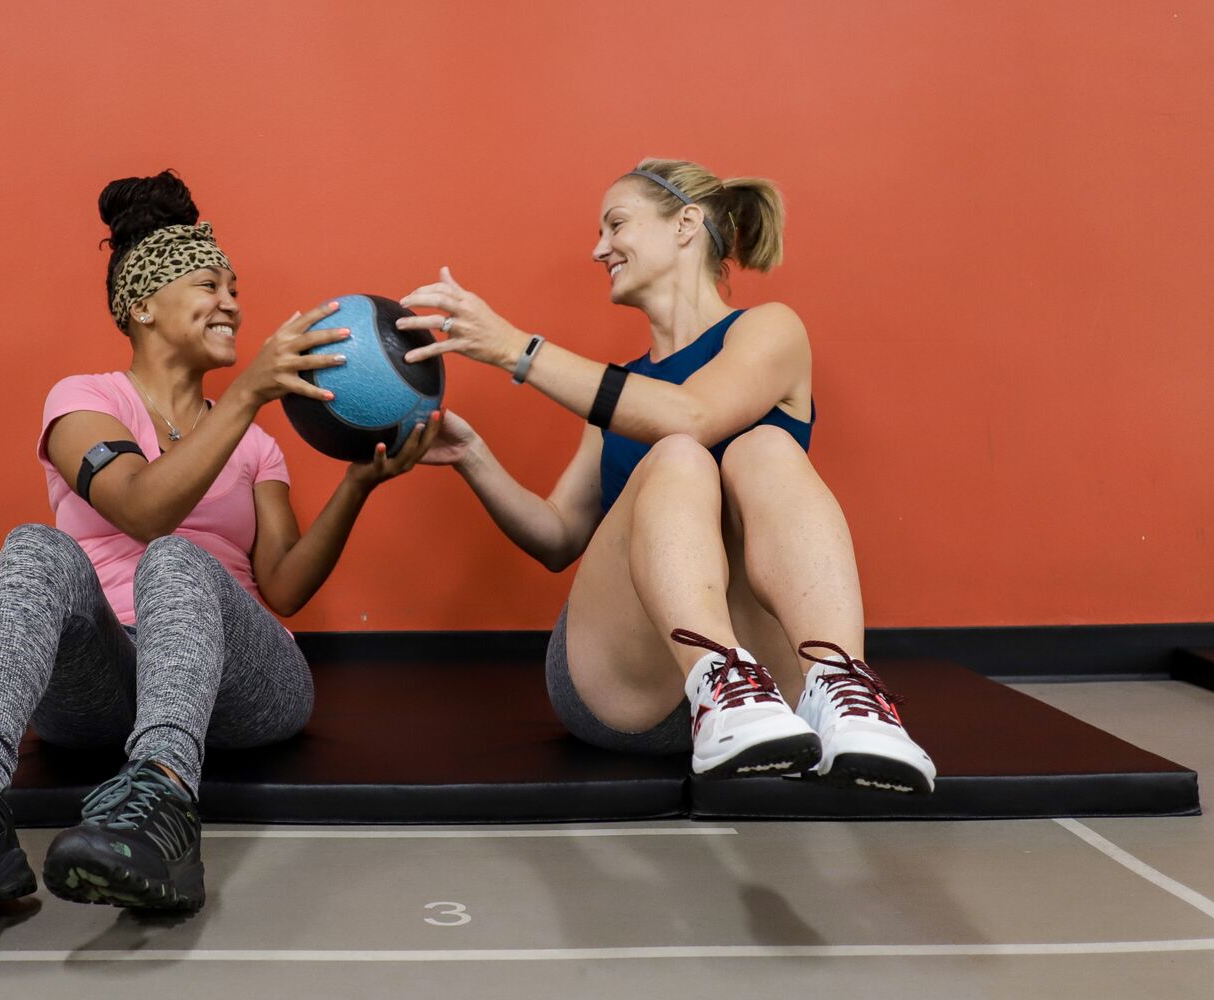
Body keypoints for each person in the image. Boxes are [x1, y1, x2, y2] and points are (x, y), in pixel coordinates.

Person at [0, 171, 439, 924]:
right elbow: (140, 508)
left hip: (240, 686)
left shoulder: (257, 444)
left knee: (181, 559)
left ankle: (162, 806)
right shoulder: (84, 401)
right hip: (101, 680)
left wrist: (358, 484)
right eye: (208, 284)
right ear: (142, 306)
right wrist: (246, 395)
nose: (232, 300)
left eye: (236, 286)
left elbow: (286, 587)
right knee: (37, 546)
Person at [397, 158, 935, 795]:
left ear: (686, 224)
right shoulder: (619, 395)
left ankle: (845, 689)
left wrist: (516, 349)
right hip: (626, 685)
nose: (599, 248)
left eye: (616, 224)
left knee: (759, 445)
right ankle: (714, 683)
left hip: (773, 702)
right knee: (677, 455)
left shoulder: (768, 330)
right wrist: (473, 458)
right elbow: (560, 537)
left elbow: (696, 413)